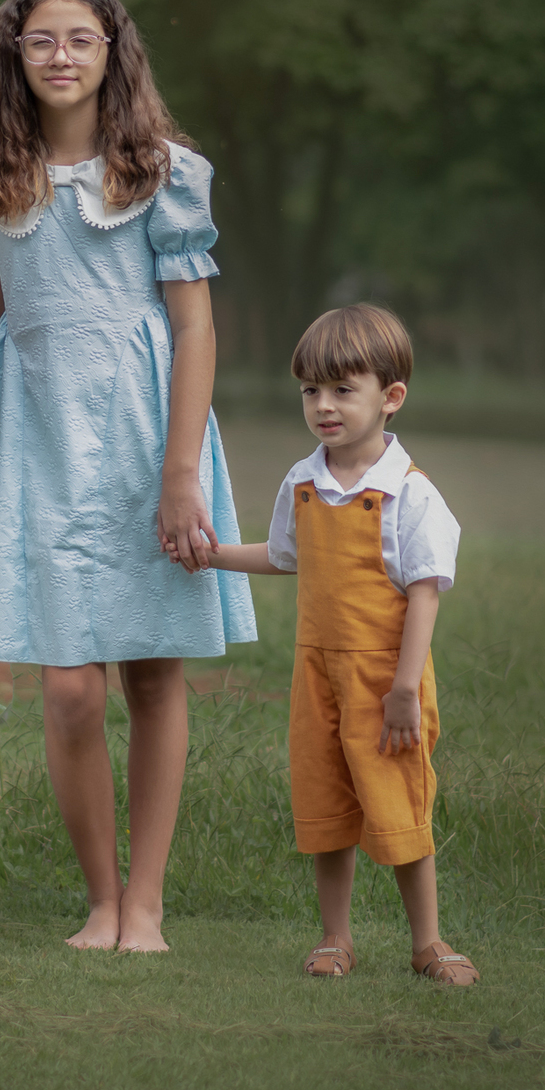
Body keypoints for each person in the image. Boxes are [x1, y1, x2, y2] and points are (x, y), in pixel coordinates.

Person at [0, 0, 255, 953]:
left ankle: (144, 904)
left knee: (152, 674)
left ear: (113, 53)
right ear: (13, 56)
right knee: (69, 685)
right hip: (44, 443)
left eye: (80, 38)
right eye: (40, 41)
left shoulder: (161, 169)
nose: (60, 56)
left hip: (151, 436)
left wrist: (181, 471)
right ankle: (101, 896)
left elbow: (193, 329)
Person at [208, 303, 479, 984]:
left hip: (388, 683)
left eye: (341, 390)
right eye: (310, 390)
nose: (323, 405)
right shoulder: (302, 482)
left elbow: (424, 593)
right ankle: (336, 938)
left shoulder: (408, 496)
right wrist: (211, 556)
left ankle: (429, 942)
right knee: (327, 806)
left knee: (399, 805)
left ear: (391, 398)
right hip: (316, 677)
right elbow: (280, 555)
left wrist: (404, 691)